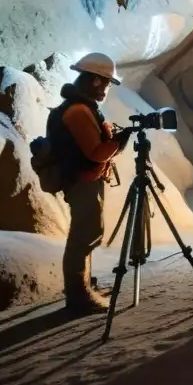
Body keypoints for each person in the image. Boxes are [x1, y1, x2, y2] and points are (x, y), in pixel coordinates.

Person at [49, 52, 132, 314]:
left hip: (85, 178)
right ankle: (78, 296)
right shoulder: (77, 111)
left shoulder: (82, 108)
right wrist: (119, 142)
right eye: (106, 82)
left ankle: (84, 284)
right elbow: (95, 153)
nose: (107, 88)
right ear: (95, 81)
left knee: (87, 232)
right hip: (81, 181)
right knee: (84, 234)